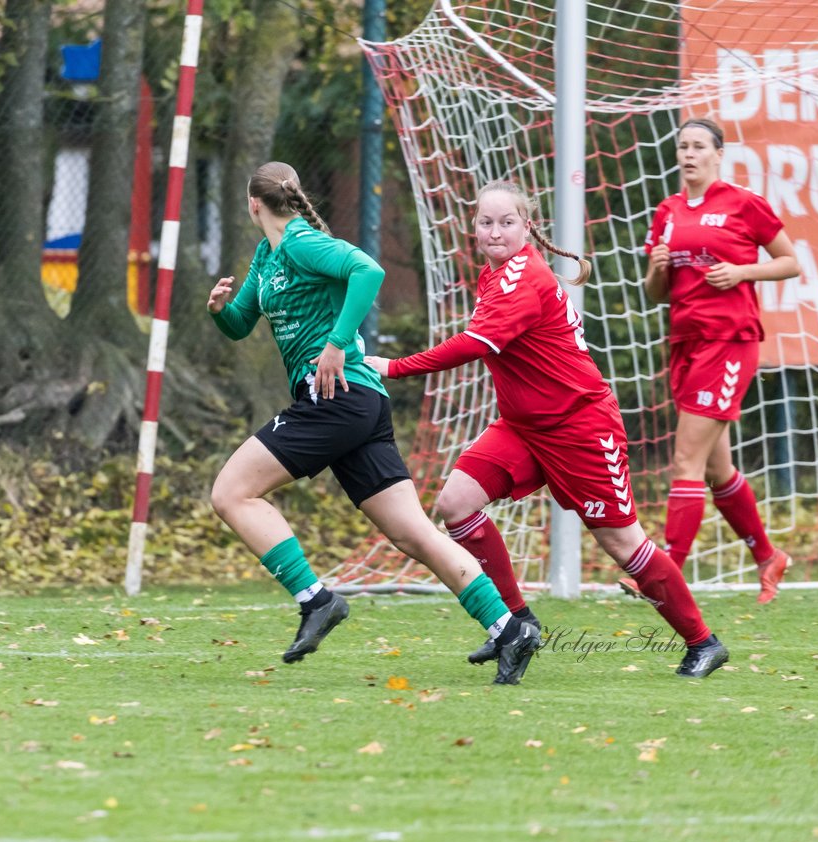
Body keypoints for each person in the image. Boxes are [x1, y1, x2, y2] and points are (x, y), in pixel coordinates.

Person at [366, 179, 729, 678]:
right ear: (474, 228)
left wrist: (392, 367)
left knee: (622, 545)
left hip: (580, 426)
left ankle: (703, 642)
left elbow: (474, 345)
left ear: (527, 227)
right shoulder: (492, 275)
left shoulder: (523, 279)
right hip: (523, 427)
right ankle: (518, 625)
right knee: (456, 504)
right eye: (486, 223)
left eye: (507, 222)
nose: (495, 232)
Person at [207, 161, 541, 682]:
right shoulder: (266, 255)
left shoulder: (301, 242)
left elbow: (369, 270)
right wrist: (220, 310)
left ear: (253, 204)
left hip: (337, 399)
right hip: (355, 404)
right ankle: (508, 628)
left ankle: (317, 601)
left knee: (231, 492)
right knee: (413, 534)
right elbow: (241, 323)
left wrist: (337, 343)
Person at [633, 117, 800, 605]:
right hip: (685, 342)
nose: (689, 154)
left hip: (730, 340)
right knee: (715, 469)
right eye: (683, 146)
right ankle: (769, 557)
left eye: (699, 146)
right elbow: (654, 292)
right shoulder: (667, 211)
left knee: (685, 458)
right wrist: (656, 269)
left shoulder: (743, 203)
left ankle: (663, 573)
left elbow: (790, 261)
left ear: (718, 154)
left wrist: (742, 271)